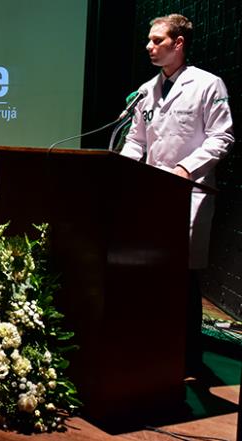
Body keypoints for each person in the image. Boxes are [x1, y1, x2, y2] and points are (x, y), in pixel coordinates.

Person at [121, 14, 234, 377]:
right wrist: (119, 170)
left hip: (189, 193)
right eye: (149, 41)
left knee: (183, 277)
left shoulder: (207, 85)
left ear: (179, 43)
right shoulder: (145, 91)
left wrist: (186, 169)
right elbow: (136, 140)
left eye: (157, 41)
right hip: (152, 194)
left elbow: (222, 136)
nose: (149, 47)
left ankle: (188, 358)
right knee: (149, 271)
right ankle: (151, 345)